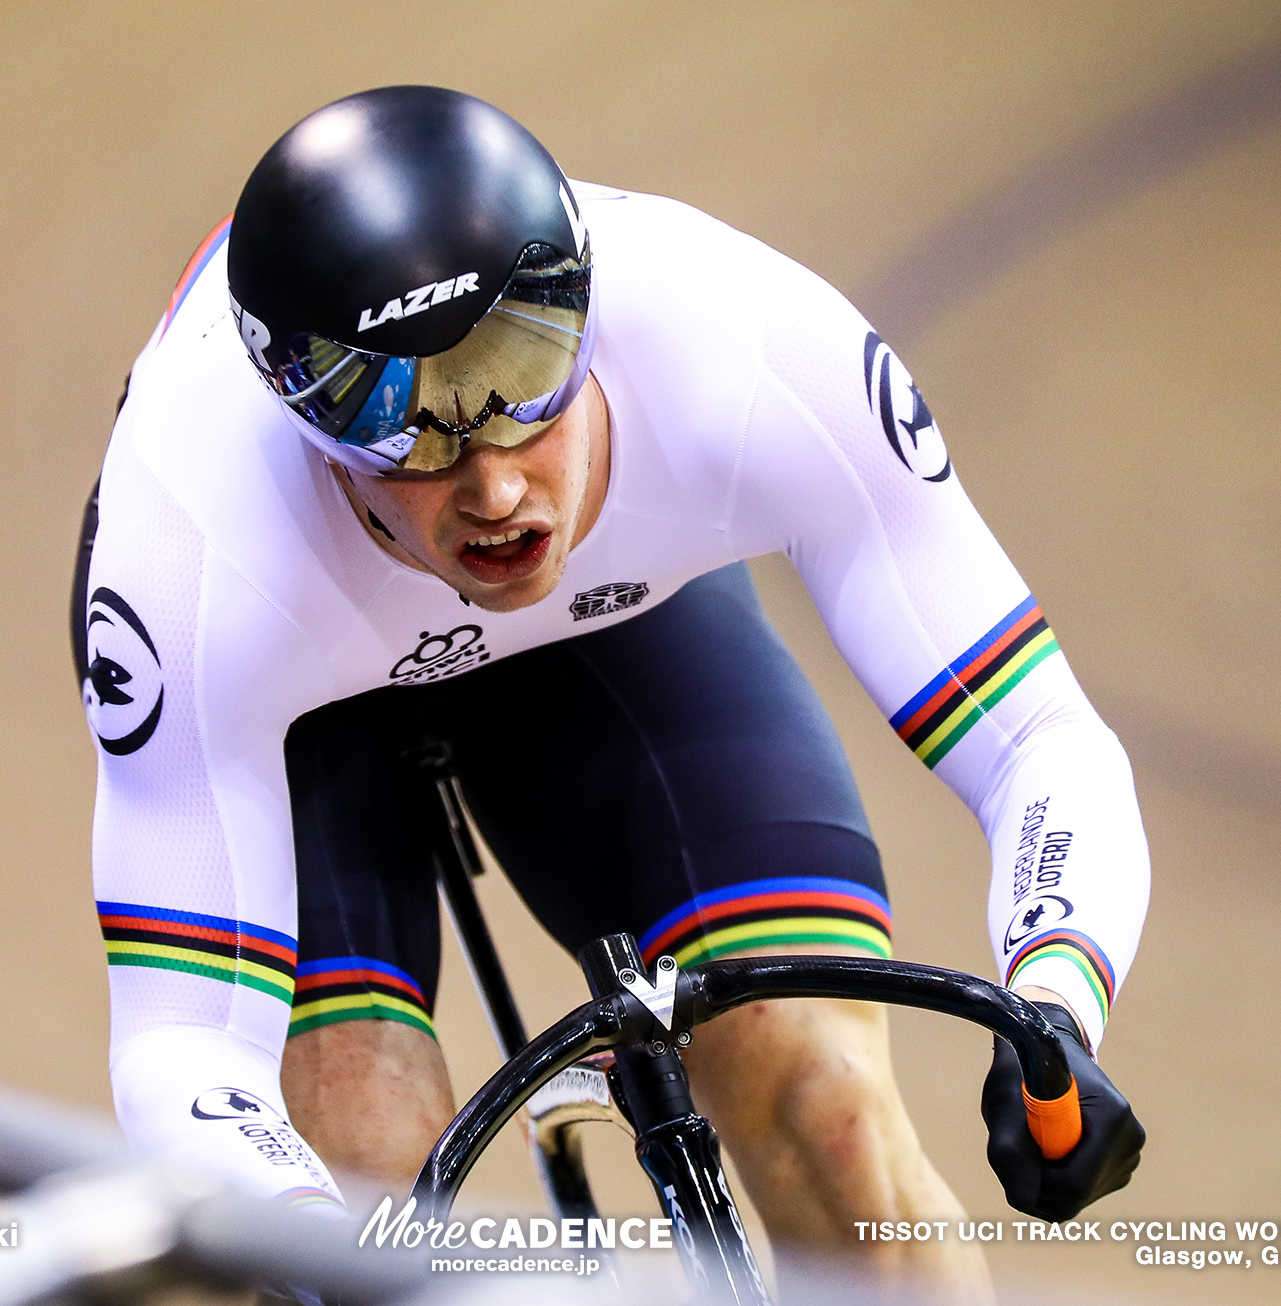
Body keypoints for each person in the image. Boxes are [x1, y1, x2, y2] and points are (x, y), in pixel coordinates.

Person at [75, 85, 1147, 1300]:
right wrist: (301, 1234)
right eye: (401, 419)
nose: (489, 485)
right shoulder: (194, 546)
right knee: (369, 1191)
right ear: (298, 414)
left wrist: (1055, 1002)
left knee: (830, 1111)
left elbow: (1039, 740)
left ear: (588, 313)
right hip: (303, 696)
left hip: (613, 619)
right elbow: (184, 1044)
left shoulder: (747, 347)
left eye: (521, 377)